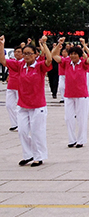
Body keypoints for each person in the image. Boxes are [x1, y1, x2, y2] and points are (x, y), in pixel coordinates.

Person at [0, 36, 52, 166]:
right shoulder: (20, 65)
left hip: (37, 105)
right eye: (25, 54)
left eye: (29, 53)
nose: (27, 56)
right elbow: (3, 61)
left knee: (36, 132)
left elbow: (49, 60)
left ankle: (39, 156)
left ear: (35, 54)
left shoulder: (39, 66)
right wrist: (1, 44)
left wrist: (44, 44)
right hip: (23, 105)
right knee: (22, 131)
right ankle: (28, 154)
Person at [52, 38, 89, 148]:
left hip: (82, 95)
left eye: (75, 54)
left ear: (79, 55)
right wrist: (59, 44)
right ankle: (71, 139)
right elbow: (54, 55)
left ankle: (81, 140)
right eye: (71, 54)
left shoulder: (83, 63)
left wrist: (84, 46)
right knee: (68, 118)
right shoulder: (66, 62)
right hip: (69, 95)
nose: (73, 56)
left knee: (81, 118)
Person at [4, 45, 22, 131]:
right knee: (9, 105)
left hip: (21, 87)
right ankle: (14, 124)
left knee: (20, 107)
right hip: (11, 86)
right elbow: (2, 60)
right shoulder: (12, 61)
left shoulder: (24, 63)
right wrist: (1, 45)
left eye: (19, 52)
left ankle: (21, 123)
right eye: (16, 52)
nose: (17, 54)